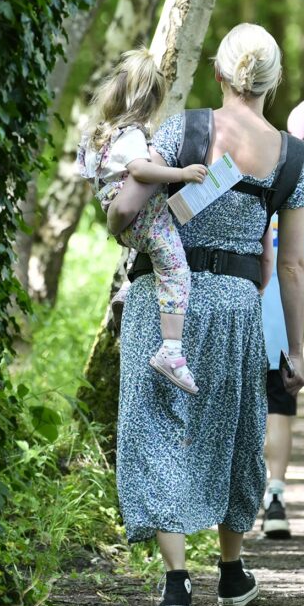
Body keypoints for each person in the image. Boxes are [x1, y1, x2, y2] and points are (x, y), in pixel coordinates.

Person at [106, 24, 304, 606]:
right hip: (235, 305)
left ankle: (175, 583)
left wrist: (119, 220)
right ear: (271, 84)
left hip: (165, 297)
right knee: (231, 428)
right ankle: (230, 569)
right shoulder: (292, 157)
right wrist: (293, 352)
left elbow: (128, 207)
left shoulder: (184, 130)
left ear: (218, 75)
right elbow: (294, 265)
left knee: (157, 427)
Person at [77, 48, 207, 394]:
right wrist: (180, 173)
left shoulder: (102, 134)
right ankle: (172, 351)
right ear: (148, 103)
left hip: (127, 220)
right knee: (177, 269)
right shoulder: (132, 136)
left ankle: (129, 289)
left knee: (159, 255)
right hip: (140, 216)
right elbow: (139, 170)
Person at [260, 208, 304, 538]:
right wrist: (294, 283)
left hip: (237, 326)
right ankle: (275, 496)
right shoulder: (291, 206)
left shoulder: (234, 195)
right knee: (279, 415)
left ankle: (230, 505)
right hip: (282, 332)